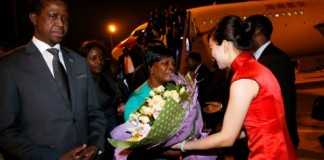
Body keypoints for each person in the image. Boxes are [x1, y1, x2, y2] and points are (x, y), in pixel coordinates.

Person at [172, 15, 297, 160]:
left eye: (212, 48)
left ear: (225, 45)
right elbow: (255, 126)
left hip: (267, 154)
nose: (211, 55)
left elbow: (227, 138)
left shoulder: (243, 78)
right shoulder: (254, 67)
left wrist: (183, 145)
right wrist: (213, 136)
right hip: (281, 151)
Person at [0, 0, 106, 160]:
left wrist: (95, 145)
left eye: (65, 18)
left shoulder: (78, 62)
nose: (61, 23)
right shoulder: (10, 66)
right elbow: (5, 131)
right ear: (34, 18)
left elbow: (95, 113)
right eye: (53, 16)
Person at [246, 15, 299, 148]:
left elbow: (280, 104)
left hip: (276, 140)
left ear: (257, 31)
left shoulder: (273, 60)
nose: (243, 35)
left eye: (246, 29)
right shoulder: (266, 58)